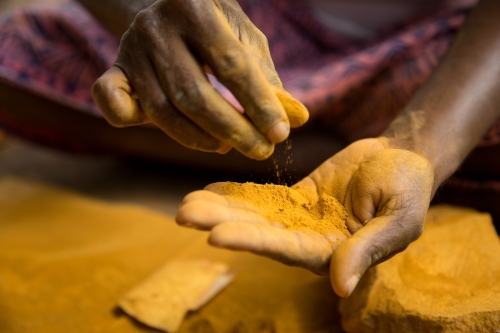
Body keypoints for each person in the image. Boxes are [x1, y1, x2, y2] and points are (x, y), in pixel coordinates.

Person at [0, 0, 499, 297]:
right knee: (14, 50)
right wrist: (141, 13)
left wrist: (416, 145)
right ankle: (308, 145)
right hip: (248, 16)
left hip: (447, 46)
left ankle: (279, 145)